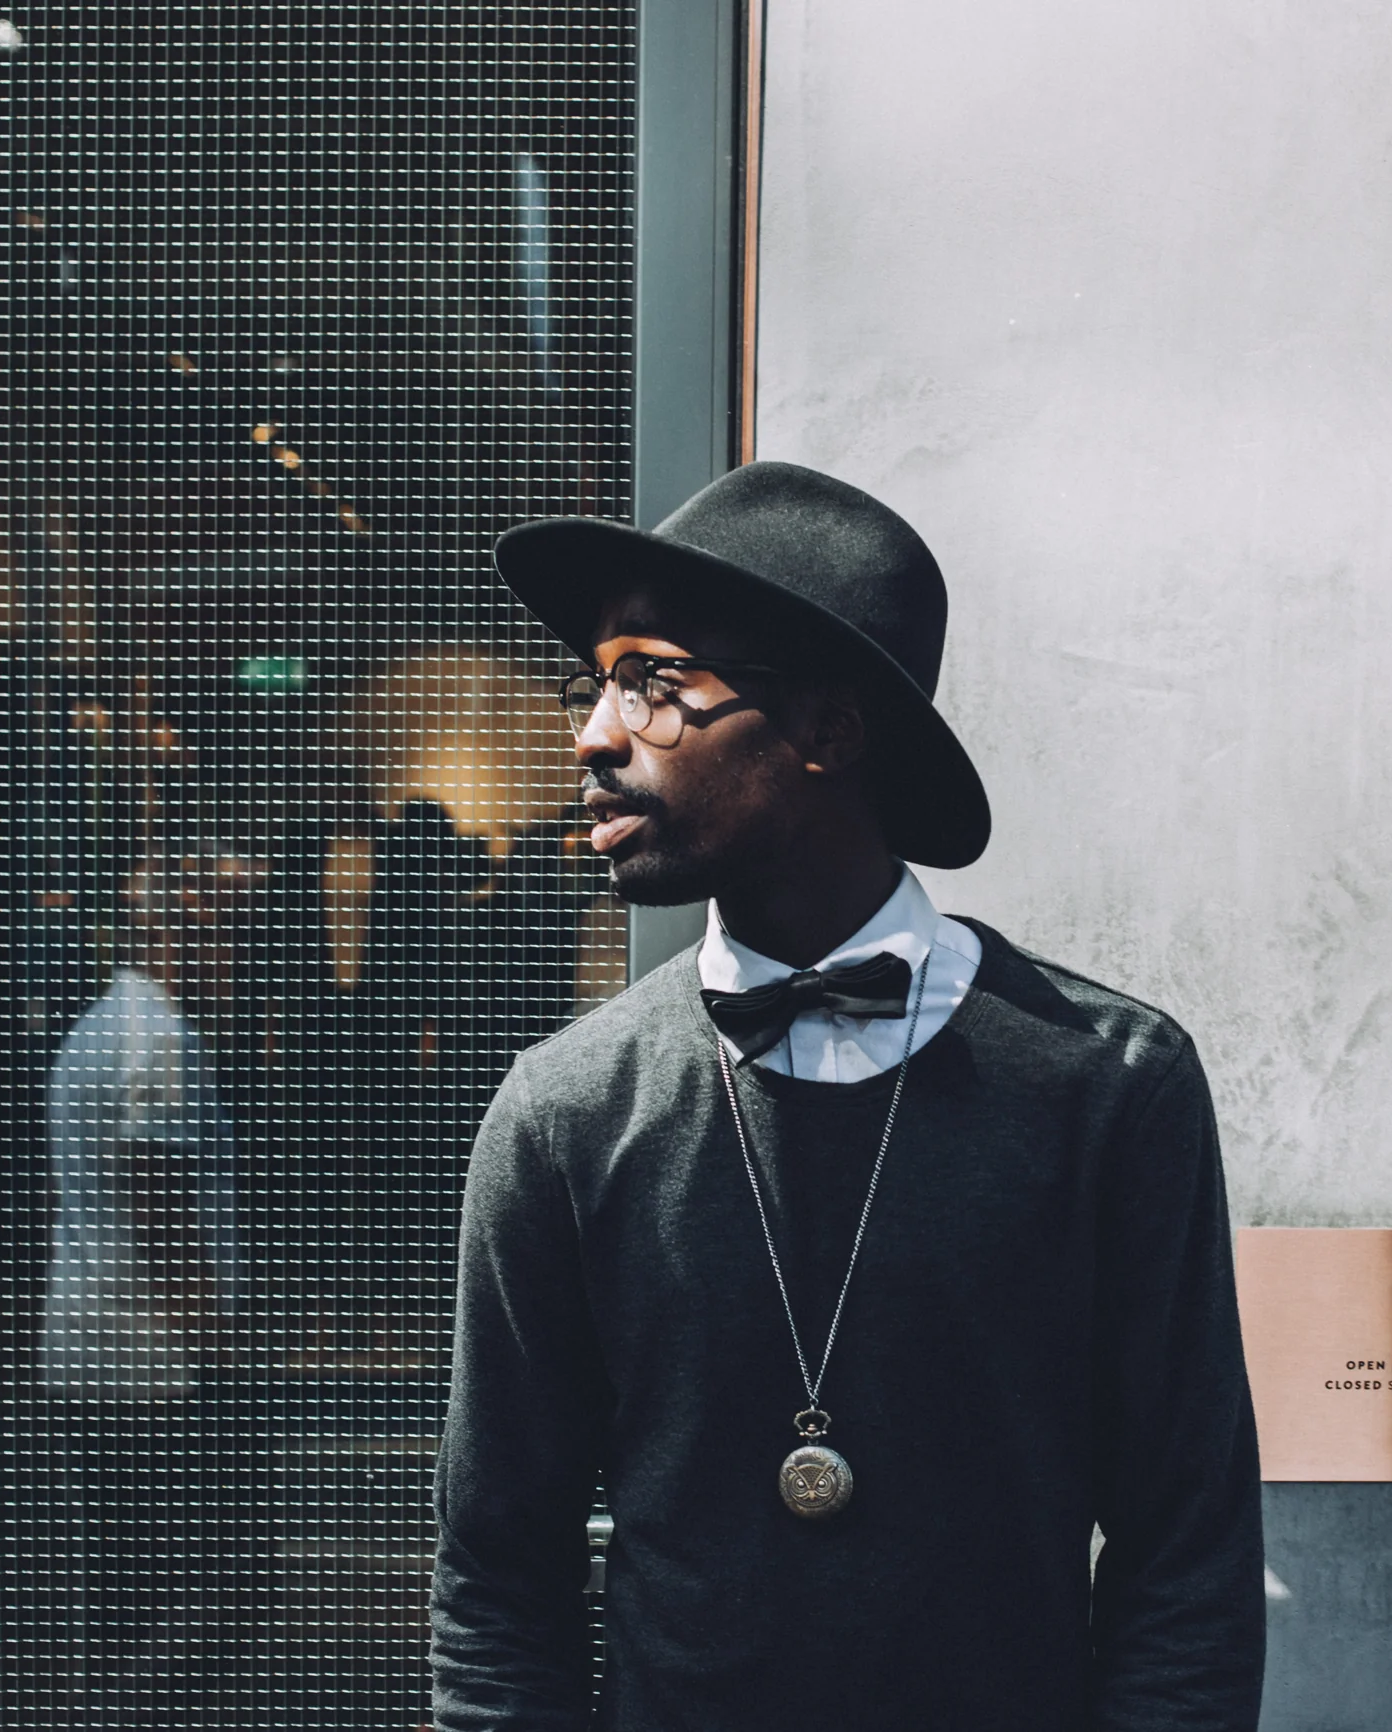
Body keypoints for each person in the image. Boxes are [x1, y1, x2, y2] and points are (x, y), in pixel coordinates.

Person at [431, 462, 1266, 1731]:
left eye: (653, 682)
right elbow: (499, 1580)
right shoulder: (564, 1114)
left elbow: (1186, 1557)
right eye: (595, 682)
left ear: (827, 728)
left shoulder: (1108, 1085)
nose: (594, 734)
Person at [42, 843, 259, 1701]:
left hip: (94, 1352)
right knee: (179, 1611)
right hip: (153, 1370)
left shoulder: (96, 1028)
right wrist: (219, 1351)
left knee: (122, 1600)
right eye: (227, 938)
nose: (236, 962)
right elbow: (162, 1210)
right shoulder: (159, 1042)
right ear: (179, 935)